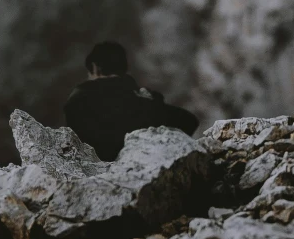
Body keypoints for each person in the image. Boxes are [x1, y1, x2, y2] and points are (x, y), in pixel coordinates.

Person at [63, 40, 197, 163]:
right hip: (148, 164)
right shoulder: (145, 99)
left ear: (95, 68)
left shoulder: (81, 98)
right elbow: (189, 120)